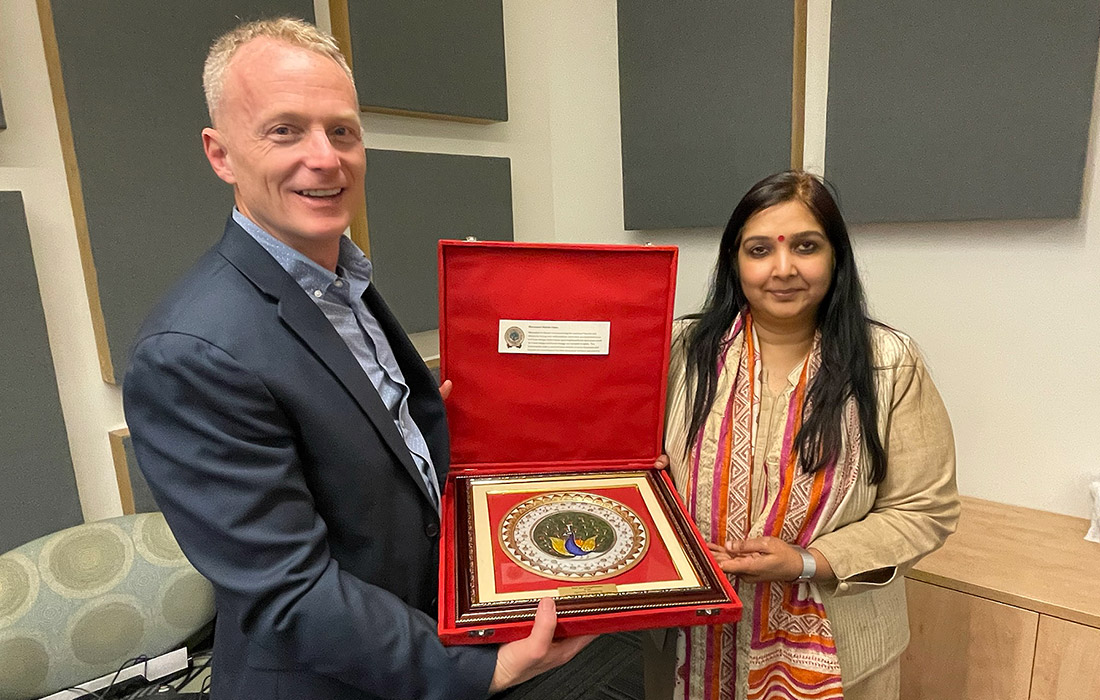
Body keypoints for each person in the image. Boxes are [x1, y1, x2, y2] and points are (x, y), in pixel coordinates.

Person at [123, 17, 589, 700]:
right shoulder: (189, 353)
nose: (326, 157)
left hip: (420, 640)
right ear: (220, 154)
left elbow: (380, 454)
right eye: (285, 131)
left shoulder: (339, 283)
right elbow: (292, 590)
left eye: (342, 130)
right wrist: (474, 670)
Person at [659, 171, 959, 700]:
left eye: (806, 247)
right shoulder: (683, 352)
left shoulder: (888, 363)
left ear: (836, 256)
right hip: (693, 635)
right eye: (759, 250)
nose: (783, 269)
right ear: (734, 261)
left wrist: (805, 562)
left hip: (839, 651)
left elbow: (924, 510)